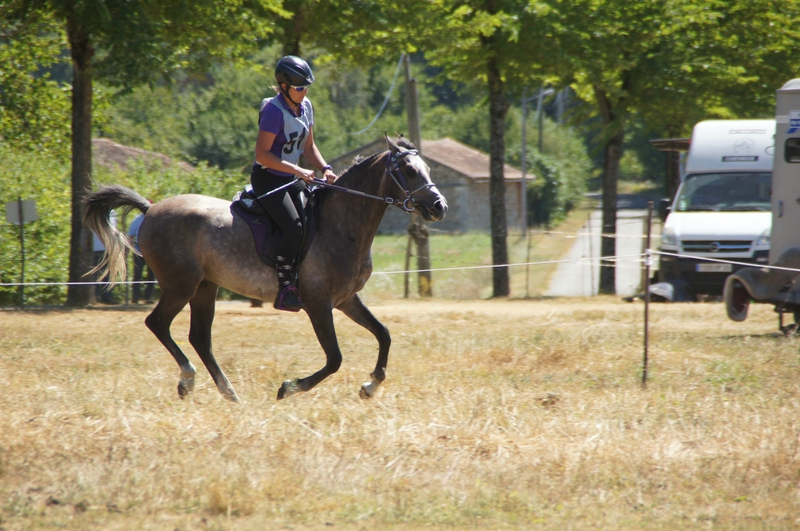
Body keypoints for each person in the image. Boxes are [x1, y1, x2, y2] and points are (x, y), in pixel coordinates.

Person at [251, 55, 337, 312]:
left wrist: (325, 168)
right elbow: (262, 155)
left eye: (307, 86)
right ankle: (286, 285)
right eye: (300, 87)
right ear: (285, 87)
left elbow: (309, 146)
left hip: (292, 177)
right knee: (294, 226)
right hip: (269, 179)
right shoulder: (273, 112)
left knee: (316, 218)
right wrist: (298, 169)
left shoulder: (306, 105)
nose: (305, 91)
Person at [128, 210, 155, 304]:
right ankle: (135, 298)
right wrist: (131, 249)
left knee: (152, 275)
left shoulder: (155, 219)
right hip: (138, 252)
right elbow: (130, 236)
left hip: (152, 253)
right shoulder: (137, 220)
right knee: (137, 275)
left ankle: (148, 297)